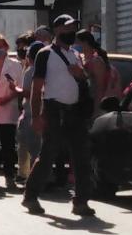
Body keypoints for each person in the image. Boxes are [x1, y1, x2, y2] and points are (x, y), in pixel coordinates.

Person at [21, 15, 97, 218]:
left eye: (73, 28)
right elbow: (37, 88)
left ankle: (81, 201)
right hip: (54, 110)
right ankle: (30, 196)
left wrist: (80, 75)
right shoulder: (45, 54)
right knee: (48, 155)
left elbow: (84, 81)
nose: (71, 32)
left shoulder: (74, 54)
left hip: (75, 112)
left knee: (81, 156)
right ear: (57, 31)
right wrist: (36, 116)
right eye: (67, 28)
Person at [0, 33, 23, 189]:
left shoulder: (15, 65)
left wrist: (6, 98)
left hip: (9, 109)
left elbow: (20, 87)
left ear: (6, 47)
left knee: (8, 146)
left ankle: (10, 176)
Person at [15, 41, 44, 185]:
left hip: (31, 114)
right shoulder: (48, 69)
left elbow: (27, 92)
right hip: (46, 113)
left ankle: (30, 178)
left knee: (29, 148)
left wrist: (15, 88)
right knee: (39, 149)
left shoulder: (31, 71)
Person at [76, 29, 112, 106]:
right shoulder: (81, 59)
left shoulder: (96, 61)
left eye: (76, 43)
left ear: (85, 42)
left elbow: (100, 87)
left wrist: (97, 108)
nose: (74, 46)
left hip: (93, 103)